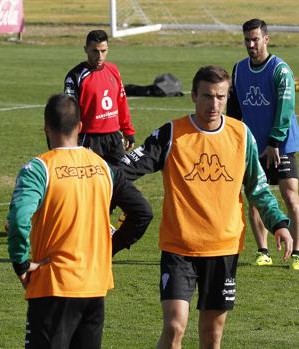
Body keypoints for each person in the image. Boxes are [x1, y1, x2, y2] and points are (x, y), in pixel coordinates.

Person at [119, 66, 294, 349]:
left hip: (223, 249)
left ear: (227, 98)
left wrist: (279, 224)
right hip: (179, 248)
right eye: (207, 96)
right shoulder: (171, 134)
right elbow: (127, 169)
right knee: (175, 326)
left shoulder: (241, 135)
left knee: (212, 335)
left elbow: (258, 189)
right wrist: (95, 179)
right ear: (193, 96)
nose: (214, 104)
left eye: (220, 97)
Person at [7, 94, 152, 348]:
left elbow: (19, 220)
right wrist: (110, 248)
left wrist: (21, 264)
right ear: (80, 127)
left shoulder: (39, 169)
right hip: (94, 286)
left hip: (54, 285)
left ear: (46, 128)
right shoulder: (104, 168)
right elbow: (143, 212)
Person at [227, 18, 299, 269]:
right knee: (256, 198)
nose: (251, 44)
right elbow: (234, 110)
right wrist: (233, 139)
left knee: (291, 198)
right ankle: (263, 251)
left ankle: (298, 252)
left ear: (266, 39)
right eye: (247, 39)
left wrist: (274, 142)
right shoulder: (238, 70)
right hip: (253, 146)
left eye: (255, 39)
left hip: (281, 145)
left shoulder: (280, 70)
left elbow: (286, 109)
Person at [64, 29, 136, 165]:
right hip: (89, 138)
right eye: (95, 51)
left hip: (114, 137)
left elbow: (121, 102)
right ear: (86, 49)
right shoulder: (75, 76)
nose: (100, 56)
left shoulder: (113, 70)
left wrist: (127, 131)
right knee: (90, 182)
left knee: (121, 180)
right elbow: (69, 114)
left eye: (104, 51)